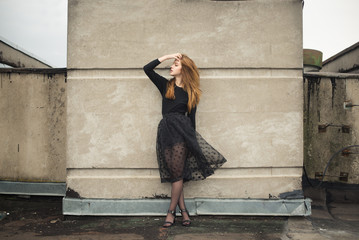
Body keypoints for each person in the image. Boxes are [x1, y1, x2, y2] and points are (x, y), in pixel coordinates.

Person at [143, 53, 227, 228]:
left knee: (177, 173)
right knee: (176, 174)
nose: (171, 66)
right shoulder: (166, 86)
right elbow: (147, 69)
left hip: (183, 132)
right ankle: (184, 211)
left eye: (175, 64)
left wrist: (192, 142)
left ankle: (170, 212)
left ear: (185, 69)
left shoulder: (191, 92)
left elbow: (192, 119)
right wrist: (168, 56)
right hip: (166, 131)